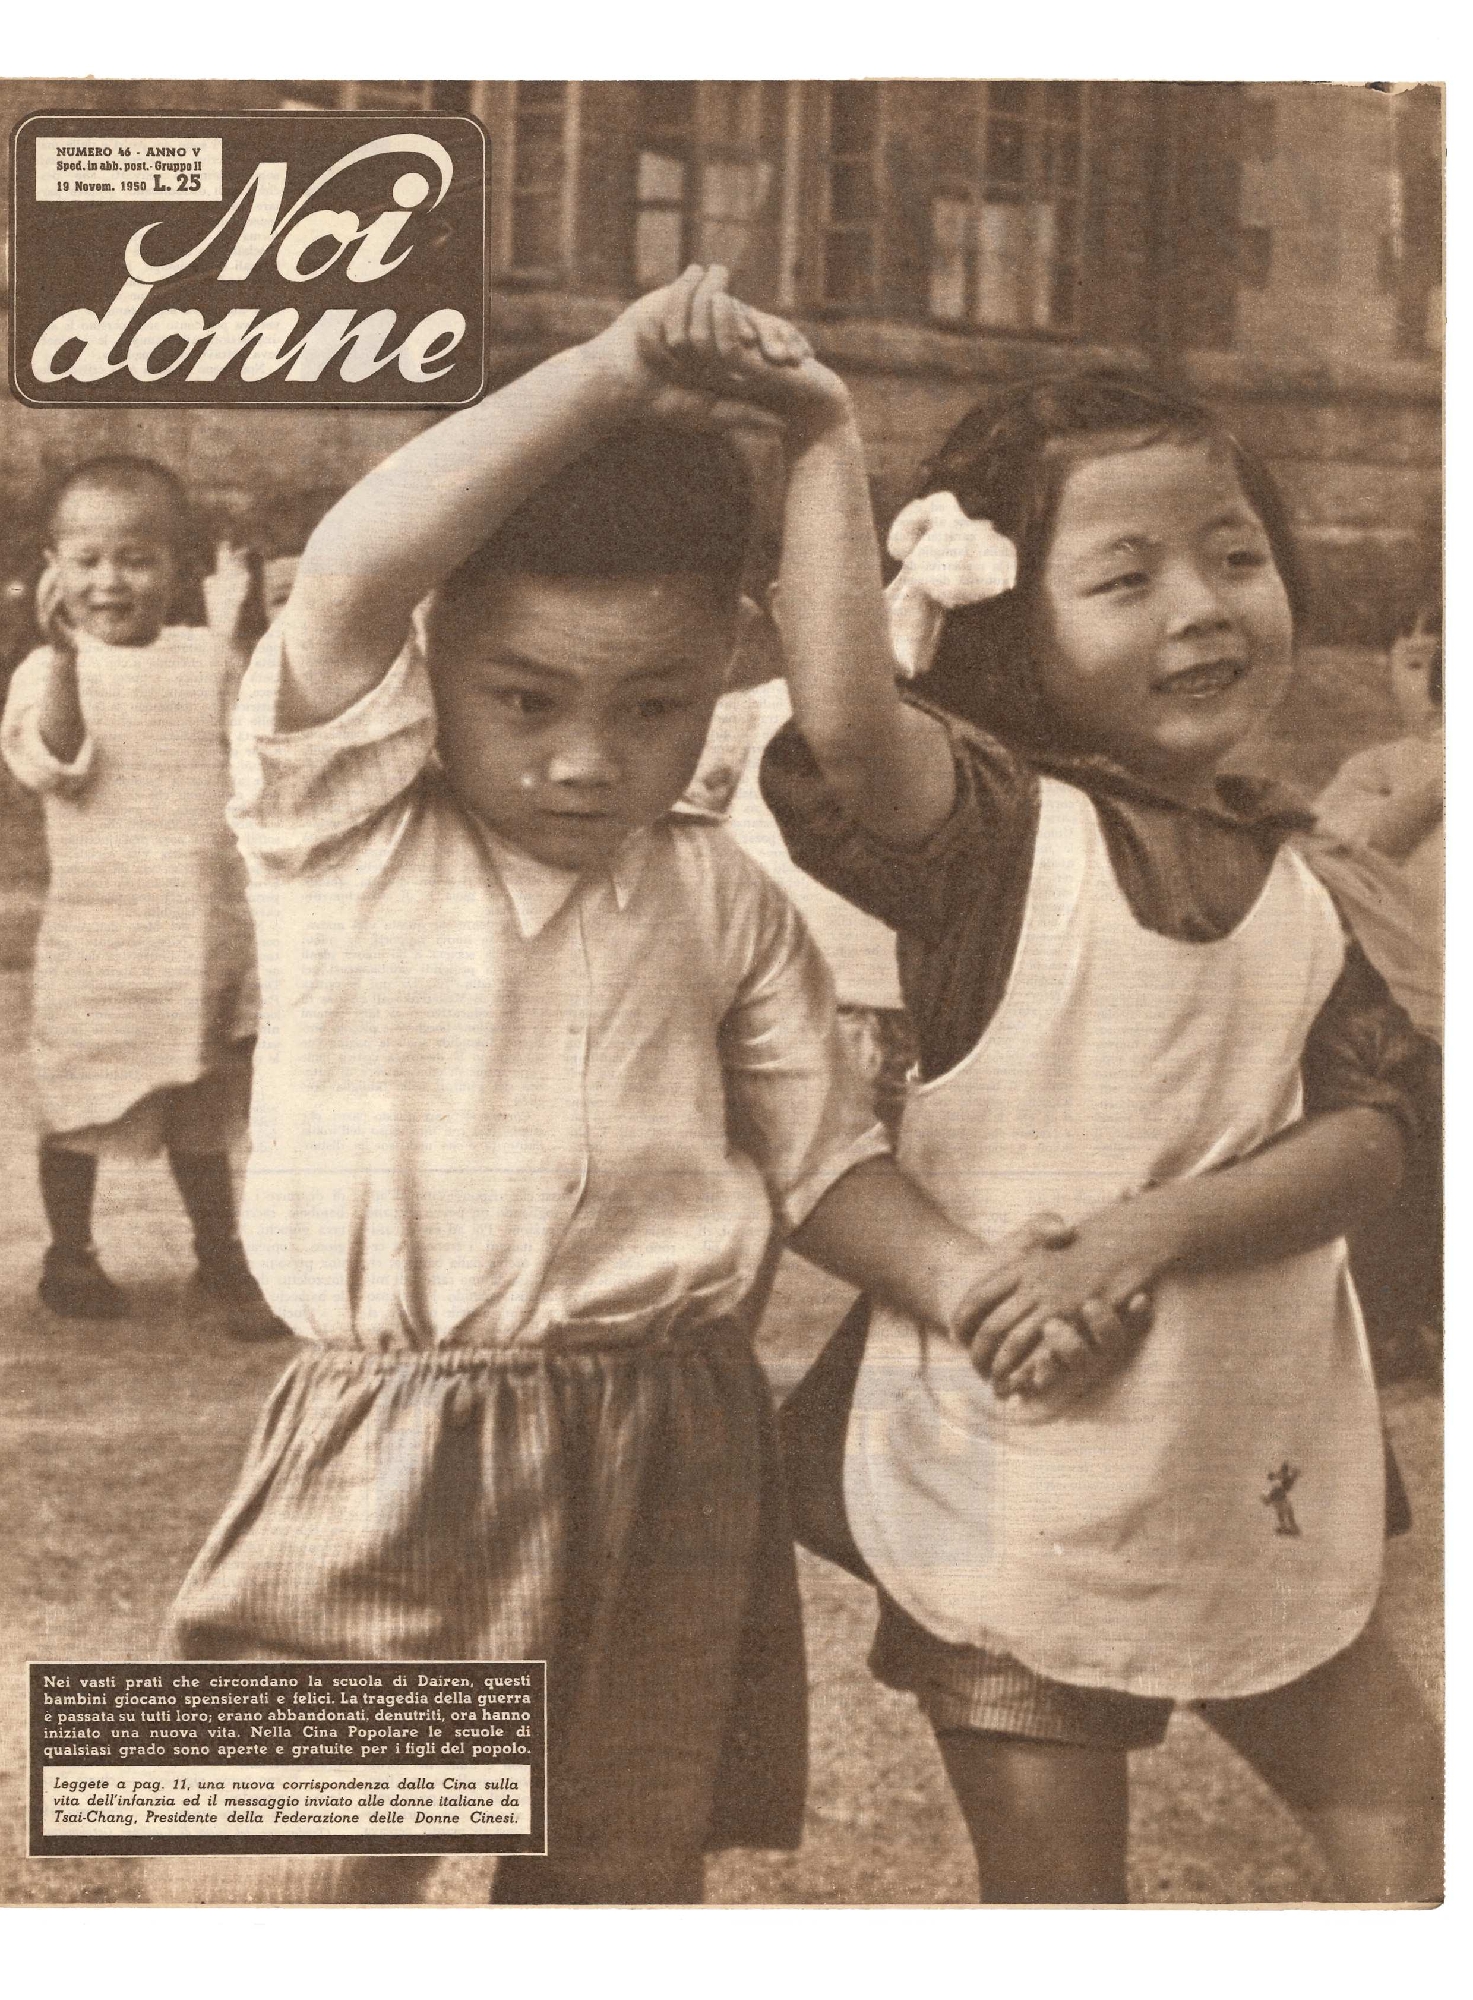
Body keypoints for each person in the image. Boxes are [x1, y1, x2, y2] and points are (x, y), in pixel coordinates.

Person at [159, 268, 1129, 1907]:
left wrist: (969, 1281)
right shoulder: (338, 829)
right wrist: (609, 372)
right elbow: (348, 573)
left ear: (721, 671)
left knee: (615, 1879)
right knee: (259, 1879)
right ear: (436, 653)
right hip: (391, 1438)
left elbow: (822, 1167)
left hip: (671, 1440)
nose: (586, 759)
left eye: (655, 708)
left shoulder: (715, 894)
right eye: (525, 700)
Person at [751, 364, 1442, 1901]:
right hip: (1024, 1458)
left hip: (1246, 1435)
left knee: (1410, 1815)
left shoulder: (1304, 872)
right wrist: (825, 447)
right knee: (1060, 1901)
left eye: (1234, 554)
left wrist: (1147, 1235)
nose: (1200, 604)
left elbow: (1379, 1138)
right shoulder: (996, 838)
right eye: (1125, 577)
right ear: (1007, 626)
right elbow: (853, 726)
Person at [1, 456, 283, 1340]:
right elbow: (58, 762)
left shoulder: (203, 659)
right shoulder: (48, 672)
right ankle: (71, 1253)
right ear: (52, 567)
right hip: (103, 939)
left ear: (178, 567)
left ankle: (221, 1253)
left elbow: (256, 740)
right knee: (79, 1098)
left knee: (201, 1100)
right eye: (85, 560)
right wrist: (60, 660)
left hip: (200, 933)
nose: (109, 580)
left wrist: (238, 630)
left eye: (136, 558)